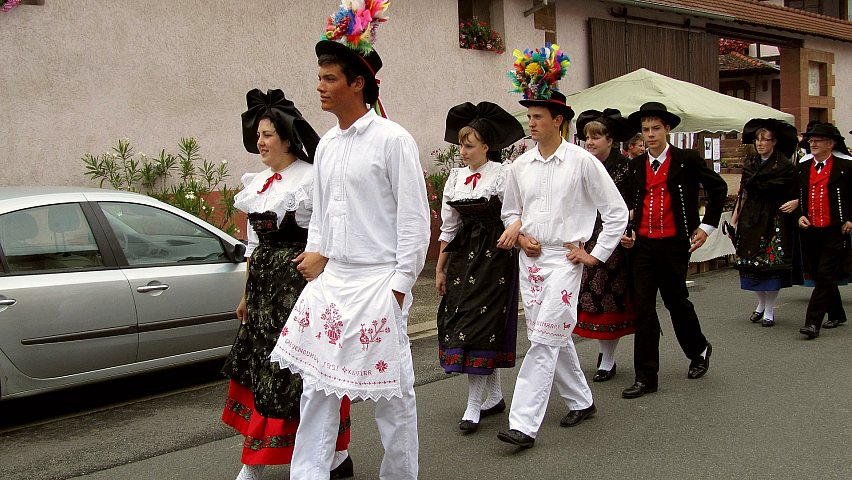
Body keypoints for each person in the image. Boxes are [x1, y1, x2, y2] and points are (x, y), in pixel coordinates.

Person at [269, 2, 430, 478]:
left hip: (379, 282)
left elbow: (413, 220)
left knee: (393, 397)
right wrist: (316, 256)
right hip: (334, 280)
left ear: (358, 83)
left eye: (330, 78)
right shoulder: (329, 144)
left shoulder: (392, 139)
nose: (319, 86)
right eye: (319, 76)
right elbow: (320, 215)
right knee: (316, 388)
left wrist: (400, 285)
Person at [497, 44, 628, 448]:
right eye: (529, 116)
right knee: (552, 335)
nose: (531, 122)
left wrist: (595, 253)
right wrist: (519, 235)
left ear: (559, 120)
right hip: (531, 262)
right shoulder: (518, 166)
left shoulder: (583, 161)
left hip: (568, 261)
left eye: (537, 116)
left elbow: (617, 211)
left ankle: (523, 423)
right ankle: (582, 401)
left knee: (541, 340)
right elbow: (510, 212)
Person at [220, 89, 352, 480]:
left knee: (297, 374)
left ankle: (327, 455)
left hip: (298, 292)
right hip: (263, 295)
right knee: (262, 369)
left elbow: (330, 234)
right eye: (258, 135)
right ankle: (265, 460)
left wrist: (324, 274)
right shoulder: (257, 183)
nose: (259, 142)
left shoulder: (310, 179)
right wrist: (246, 294)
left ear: (287, 138)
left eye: (267, 135)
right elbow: (254, 244)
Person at [621, 102, 727, 399]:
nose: (650, 134)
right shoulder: (636, 164)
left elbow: (717, 189)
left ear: (667, 129)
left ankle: (699, 349)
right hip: (642, 246)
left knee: (676, 301)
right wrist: (627, 231)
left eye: (656, 128)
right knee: (642, 309)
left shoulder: (687, 159)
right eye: (645, 130)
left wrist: (706, 227)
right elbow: (630, 204)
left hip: (674, 245)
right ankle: (646, 377)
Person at [436, 101, 525, 432]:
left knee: (480, 325)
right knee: (465, 321)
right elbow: (448, 228)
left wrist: (514, 232)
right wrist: (442, 268)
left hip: (494, 257)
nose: (463, 151)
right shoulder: (456, 177)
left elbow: (515, 213)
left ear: (487, 146)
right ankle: (495, 396)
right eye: (461, 144)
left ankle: (474, 405)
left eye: (470, 145)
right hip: (462, 258)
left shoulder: (502, 173)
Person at [573, 109, 636, 382]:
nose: (590, 142)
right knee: (588, 296)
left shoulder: (626, 167)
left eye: (596, 137)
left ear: (610, 140)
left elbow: (634, 204)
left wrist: (627, 227)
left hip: (614, 239)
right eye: (587, 137)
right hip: (585, 236)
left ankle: (608, 359)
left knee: (610, 298)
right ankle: (602, 353)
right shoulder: (581, 164)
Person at [729, 119, 799, 328]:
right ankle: (760, 304)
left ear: (774, 142)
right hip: (751, 216)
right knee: (750, 263)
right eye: (757, 140)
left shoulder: (784, 165)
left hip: (774, 216)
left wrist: (796, 202)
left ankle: (770, 309)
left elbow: (796, 190)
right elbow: (743, 193)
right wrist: (734, 219)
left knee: (771, 265)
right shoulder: (750, 163)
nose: (760, 144)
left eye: (765, 140)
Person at [796, 122, 852, 338]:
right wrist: (798, 214)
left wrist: (850, 219)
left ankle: (812, 322)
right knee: (822, 275)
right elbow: (795, 197)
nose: (813, 143)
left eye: (818, 140)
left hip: (835, 230)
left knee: (825, 273)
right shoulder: (802, 167)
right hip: (811, 230)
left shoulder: (845, 167)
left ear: (831, 143)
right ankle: (837, 313)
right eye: (811, 140)